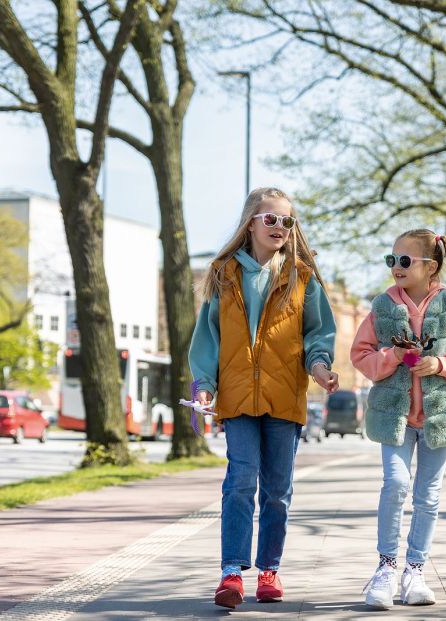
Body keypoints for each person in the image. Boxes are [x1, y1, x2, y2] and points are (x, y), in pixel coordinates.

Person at [189, 187, 339, 609]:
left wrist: (321, 368)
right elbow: (208, 340)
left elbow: (318, 335)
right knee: (240, 483)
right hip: (237, 398)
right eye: (270, 219)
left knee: (277, 490)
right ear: (250, 223)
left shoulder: (301, 278)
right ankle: (232, 572)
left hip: (283, 397)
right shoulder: (223, 275)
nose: (278, 227)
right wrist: (204, 384)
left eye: (286, 221)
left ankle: (269, 569)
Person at [351, 229, 446, 610]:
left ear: (431, 266)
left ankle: (415, 570)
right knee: (395, 484)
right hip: (395, 418)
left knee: (428, 496)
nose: (396, 268)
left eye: (404, 261)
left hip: (439, 420)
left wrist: (439, 364)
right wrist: (392, 356)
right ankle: (385, 568)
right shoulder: (382, 307)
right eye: (391, 260)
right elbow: (360, 355)